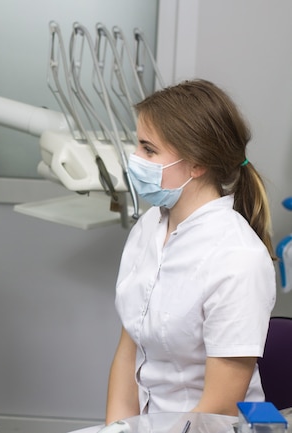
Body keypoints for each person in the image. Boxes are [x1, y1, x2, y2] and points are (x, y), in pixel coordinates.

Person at [105, 79, 276, 424]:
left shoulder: (237, 258)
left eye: (148, 150)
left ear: (197, 164)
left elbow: (219, 407)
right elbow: (129, 351)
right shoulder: (148, 228)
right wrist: (118, 429)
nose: (135, 159)